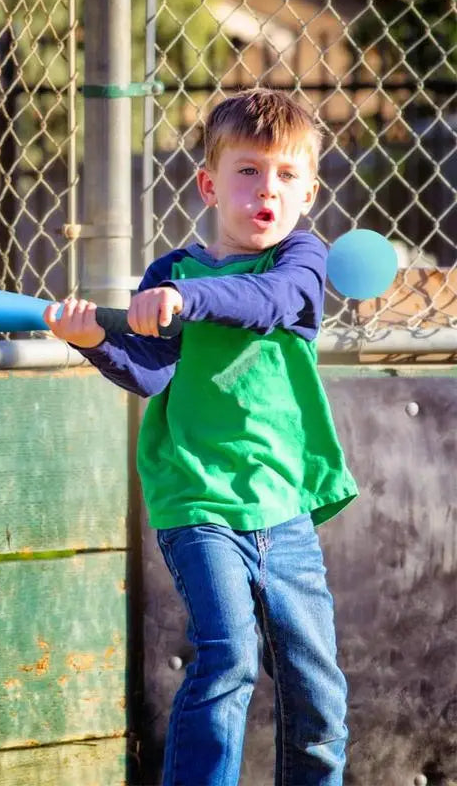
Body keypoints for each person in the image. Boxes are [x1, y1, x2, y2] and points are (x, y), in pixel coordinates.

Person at [43, 88, 358, 786]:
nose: (265, 190)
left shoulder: (300, 262)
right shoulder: (169, 276)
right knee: (227, 658)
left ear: (308, 193)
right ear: (211, 185)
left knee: (318, 691)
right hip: (198, 501)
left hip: (284, 505)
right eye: (248, 172)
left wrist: (189, 303)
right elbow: (150, 374)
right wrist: (96, 338)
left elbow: (269, 304)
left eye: (285, 176)